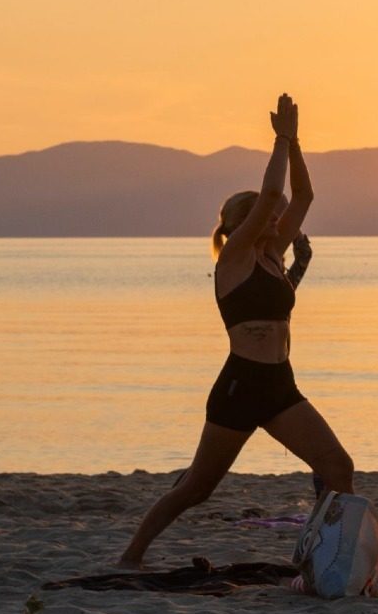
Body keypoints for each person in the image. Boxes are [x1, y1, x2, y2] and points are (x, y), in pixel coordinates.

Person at [118, 95, 355, 567]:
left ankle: (318, 557)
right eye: (268, 214)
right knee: (196, 489)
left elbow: (303, 197)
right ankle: (131, 555)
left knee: (338, 468)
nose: (277, 216)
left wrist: (298, 142)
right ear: (245, 223)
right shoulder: (236, 258)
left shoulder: (272, 253)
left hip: (280, 385)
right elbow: (271, 195)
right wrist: (280, 140)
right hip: (240, 386)